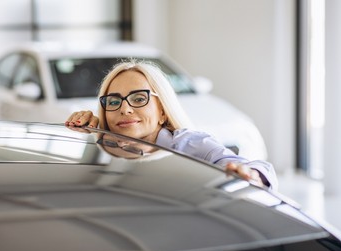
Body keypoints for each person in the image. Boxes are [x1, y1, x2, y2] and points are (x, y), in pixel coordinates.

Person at [66, 59, 278, 189]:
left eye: (139, 99)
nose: (125, 109)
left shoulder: (187, 143)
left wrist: (251, 175)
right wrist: (89, 130)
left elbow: (256, 167)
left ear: (161, 110)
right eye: (113, 101)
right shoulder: (104, 144)